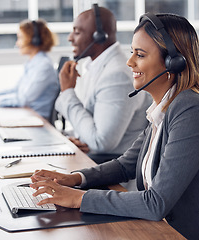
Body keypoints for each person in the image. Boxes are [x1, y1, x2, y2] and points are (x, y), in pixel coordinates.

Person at [29, 13, 199, 239]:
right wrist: (75, 179)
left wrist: (76, 198)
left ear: (174, 62)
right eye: (132, 52)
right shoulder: (164, 108)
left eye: (139, 55)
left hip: (196, 232)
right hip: (167, 226)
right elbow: (125, 165)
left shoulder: (191, 111)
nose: (130, 62)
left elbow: (156, 203)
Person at [55, 5, 151, 163]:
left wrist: (67, 92)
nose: (70, 38)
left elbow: (101, 142)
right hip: (96, 160)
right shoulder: (97, 67)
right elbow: (93, 125)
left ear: (99, 36)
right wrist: (78, 137)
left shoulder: (117, 75)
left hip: (113, 172)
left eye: (77, 32)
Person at [0, 19, 60, 122]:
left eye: (20, 38)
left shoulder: (43, 66)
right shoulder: (32, 63)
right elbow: (16, 90)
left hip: (36, 120)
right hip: (26, 115)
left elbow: (23, 100)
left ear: (34, 40)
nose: (17, 43)